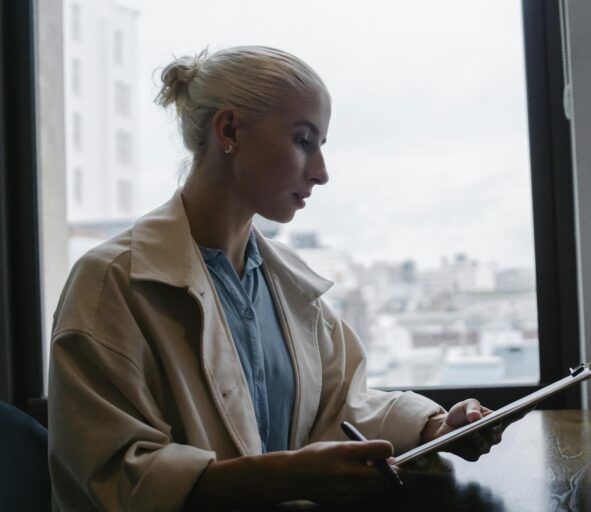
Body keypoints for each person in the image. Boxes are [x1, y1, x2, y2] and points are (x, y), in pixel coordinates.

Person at [48, 46, 511, 512]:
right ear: (229, 130)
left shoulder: (287, 284)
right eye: (303, 140)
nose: (321, 173)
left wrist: (434, 427)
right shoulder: (110, 283)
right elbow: (114, 479)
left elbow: (339, 408)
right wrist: (285, 477)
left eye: (321, 146)